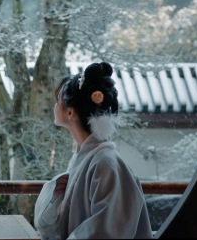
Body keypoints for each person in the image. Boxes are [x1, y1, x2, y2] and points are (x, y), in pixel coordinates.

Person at [34, 62, 153, 239]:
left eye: (58, 101)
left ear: (70, 113)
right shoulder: (89, 158)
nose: (54, 106)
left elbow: (106, 231)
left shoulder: (105, 163)